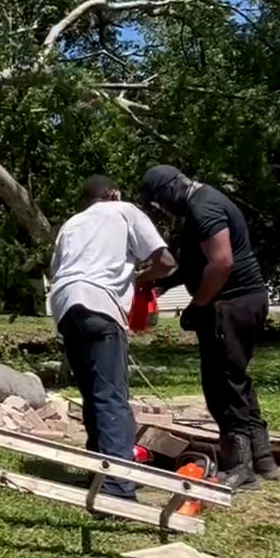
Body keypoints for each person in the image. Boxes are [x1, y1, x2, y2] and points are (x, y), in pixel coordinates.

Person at [137, 165, 278, 489]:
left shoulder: (204, 208)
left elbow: (222, 262)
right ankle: (264, 458)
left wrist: (198, 305)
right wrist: (159, 284)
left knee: (222, 385)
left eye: (160, 202)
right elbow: (194, 266)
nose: (161, 209)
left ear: (172, 189)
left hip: (231, 304)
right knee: (236, 379)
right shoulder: (204, 204)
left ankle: (240, 467)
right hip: (239, 301)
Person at [47, 175, 176, 500]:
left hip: (65, 306)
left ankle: (99, 473)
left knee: (93, 393)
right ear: (114, 194)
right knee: (112, 396)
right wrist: (142, 277)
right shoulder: (123, 210)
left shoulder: (70, 224)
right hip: (100, 304)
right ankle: (117, 486)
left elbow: (59, 269)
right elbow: (166, 261)